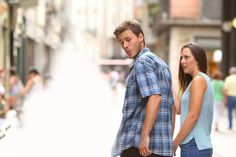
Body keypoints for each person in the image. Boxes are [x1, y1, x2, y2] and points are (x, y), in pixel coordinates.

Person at [112, 20, 175, 157]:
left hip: (139, 146)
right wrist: (169, 143)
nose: (125, 45)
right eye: (121, 42)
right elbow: (172, 107)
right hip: (161, 147)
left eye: (128, 39)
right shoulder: (162, 64)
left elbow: (155, 97)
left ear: (140, 37)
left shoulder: (142, 62)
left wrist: (145, 135)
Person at [173, 43, 214, 157]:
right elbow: (178, 109)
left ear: (197, 60)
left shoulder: (198, 80)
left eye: (187, 57)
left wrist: (175, 143)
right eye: (181, 57)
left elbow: (192, 117)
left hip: (194, 146)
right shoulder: (199, 80)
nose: (182, 61)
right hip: (195, 146)